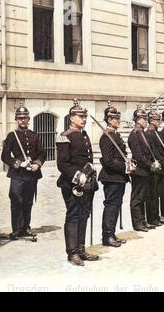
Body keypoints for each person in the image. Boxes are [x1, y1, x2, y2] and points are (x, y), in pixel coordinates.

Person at [56, 100, 99, 266]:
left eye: (85, 116)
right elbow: (62, 164)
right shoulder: (64, 136)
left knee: (84, 215)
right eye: (81, 116)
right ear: (72, 117)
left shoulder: (84, 135)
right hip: (71, 184)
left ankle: (81, 248)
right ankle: (72, 252)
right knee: (73, 216)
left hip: (86, 183)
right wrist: (77, 174)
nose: (84, 119)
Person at [1, 103, 45, 241]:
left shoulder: (34, 135)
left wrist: (37, 164)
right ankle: (16, 230)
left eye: (25, 118)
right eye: (20, 118)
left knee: (28, 201)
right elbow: (5, 156)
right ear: (16, 119)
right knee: (15, 199)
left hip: (31, 174)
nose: (23, 120)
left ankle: (26, 227)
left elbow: (42, 153)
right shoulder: (12, 136)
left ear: (29, 119)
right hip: (17, 175)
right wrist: (19, 163)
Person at [98, 104, 131, 248]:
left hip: (119, 177)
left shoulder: (115, 135)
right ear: (108, 119)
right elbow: (108, 161)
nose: (117, 120)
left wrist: (129, 163)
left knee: (116, 205)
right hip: (111, 177)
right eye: (114, 118)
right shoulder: (106, 137)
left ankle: (112, 233)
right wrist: (125, 167)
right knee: (111, 206)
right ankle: (107, 236)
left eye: (118, 117)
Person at [145, 111, 164, 225]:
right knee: (153, 195)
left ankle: (160, 214)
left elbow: (163, 149)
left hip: (162, 166)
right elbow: (153, 152)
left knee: (162, 192)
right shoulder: (148, 134)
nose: (158, 122)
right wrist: (163, 161)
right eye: (156, 120)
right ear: (151, 121)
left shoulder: (157, 133)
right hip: (155, 167)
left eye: (158, 120)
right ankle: (153, 217)